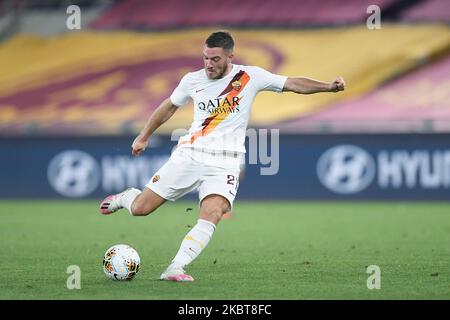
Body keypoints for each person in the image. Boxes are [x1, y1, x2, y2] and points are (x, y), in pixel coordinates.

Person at [99, 31, 345, 282]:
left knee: (213, 212)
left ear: (230, 56)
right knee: (142, 208)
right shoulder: (192, 80)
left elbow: (292, 83)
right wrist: (143, 135)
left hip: (226, 162)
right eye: (205, 58)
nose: (208, 64)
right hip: (191, 155)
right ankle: (126, 197)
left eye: (215, 59)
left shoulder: (251, 76)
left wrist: (327, 87)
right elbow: (169, 105)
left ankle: (175, 267)